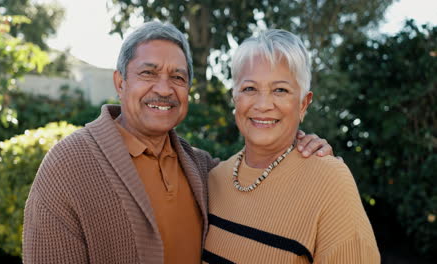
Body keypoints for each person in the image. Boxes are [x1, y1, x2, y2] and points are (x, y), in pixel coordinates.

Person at [22, 21, 334, 264]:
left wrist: (301, 148)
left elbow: (261, 181)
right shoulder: (68, 165)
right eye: (148, 72)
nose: (164, 88)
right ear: (121, 82)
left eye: (178, 77)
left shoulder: (202, 168)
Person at [202, 29, 380, 264]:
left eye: (280, 90)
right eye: (249, 89)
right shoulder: (214, 179)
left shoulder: (330, 181)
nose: (263, 104)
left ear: (303, 104)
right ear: (235, 97)